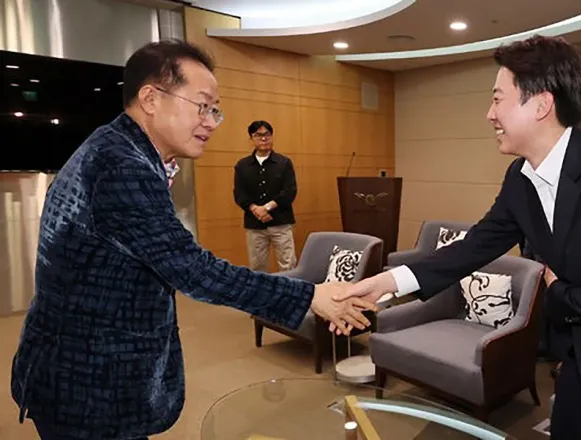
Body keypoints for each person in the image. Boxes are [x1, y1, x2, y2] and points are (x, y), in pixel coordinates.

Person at [10, 39, 375, 440]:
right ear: (151, 98)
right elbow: (193, 269)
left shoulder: (118, 147)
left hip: (84, 371)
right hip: (89, 384)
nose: (212, 122)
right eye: (202, 106)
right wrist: (309, 296)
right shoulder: (121, 166)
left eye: (215, 110)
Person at [336, 35, 581, 439]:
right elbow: (475, 245)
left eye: (498, 99)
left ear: (541, 105)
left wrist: (555, 291)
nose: (489, 114)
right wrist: (387, 282)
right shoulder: (520, 178)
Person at [234, 121, 298, 272]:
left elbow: (289, 191)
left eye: (267, 134)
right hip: (254, 224)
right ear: (251, 138)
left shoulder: (284, 162)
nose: (264, 139)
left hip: (281, 222)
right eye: (258, 135)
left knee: (288, 265)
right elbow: (239, 194)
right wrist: (255, 209)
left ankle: (288, 289)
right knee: (257, 267)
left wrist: (267, 208)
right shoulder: (242, 165)